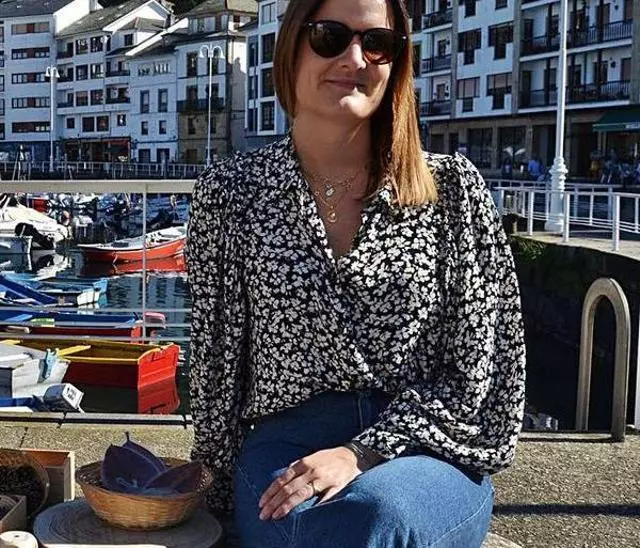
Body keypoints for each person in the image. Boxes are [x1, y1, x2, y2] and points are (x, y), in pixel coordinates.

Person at [186, 0, 527, 546]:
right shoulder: (231, 195)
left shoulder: (452, 191)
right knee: (320, 523)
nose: (354, 58)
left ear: (397, 62)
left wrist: (362, 451)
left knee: (375, 514)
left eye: (377, 43)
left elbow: (486, 371)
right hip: (285, 443)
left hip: (426, 448)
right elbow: (216, 366)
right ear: (291, 47)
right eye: (330, 37)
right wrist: (211, 489)